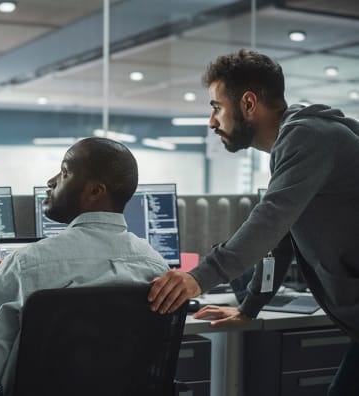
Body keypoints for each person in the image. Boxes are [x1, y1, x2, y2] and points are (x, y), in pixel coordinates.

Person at [147, 49, 359, 395]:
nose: (212, 122)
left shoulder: (308, 137)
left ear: (248, 103)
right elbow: (281, 238)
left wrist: (196, 279)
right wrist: (250, 306)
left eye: (216, 107)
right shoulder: (297, 142)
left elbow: (268, 222)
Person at [0, 137, 170, 396]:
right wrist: (7, 285)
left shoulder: (24, 266)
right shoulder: (158, 268)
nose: (51, 181)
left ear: (95, 191)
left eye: (65, 172)